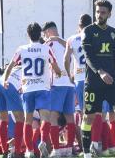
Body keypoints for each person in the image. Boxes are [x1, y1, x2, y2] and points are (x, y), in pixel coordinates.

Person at [3, 22, 61, 158]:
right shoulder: (46, 49)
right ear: (40, 34)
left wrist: (6, 80)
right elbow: (55, 66)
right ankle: (42, 142)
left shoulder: (21, 49)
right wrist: (57, 73)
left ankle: (29, 150)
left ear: (28, 35)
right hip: (43, 88)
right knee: (45, 118)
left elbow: (10, 65)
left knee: (28, 120)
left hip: (28, 89)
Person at [81, 0, 115, 158]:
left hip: (111, 80)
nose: (99, 15)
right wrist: (100, 72)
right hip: (94, 82)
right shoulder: (87, 31)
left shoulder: (114, 33)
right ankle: (87, 153)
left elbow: (113, 54)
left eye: (102, 12)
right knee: (89, 117)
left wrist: (113, 68)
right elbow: (88, 57)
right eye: (97, 12)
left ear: (109, 14)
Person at [42, 21, 76, 157]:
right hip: (69, 84)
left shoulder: (48, 44)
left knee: (53, 116)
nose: (44, 37)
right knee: (69, 117)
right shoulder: (66, 43)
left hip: (57, 84)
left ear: (49, 32)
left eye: (45, 34)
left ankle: (56, 149)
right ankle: (68, 149)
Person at [64, 14, 92, 156]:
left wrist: (70, 76)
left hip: (79, 79)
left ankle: (84, 145)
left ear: (79, 26)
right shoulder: (94, 35)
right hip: (93, 78)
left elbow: (66, 60)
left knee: (82, 114)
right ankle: (95, 144)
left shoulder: (72, 39)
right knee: (96, 112)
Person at [0, 66, 24, 158]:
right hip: (10, 85)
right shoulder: (31, 67)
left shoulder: (16, 66)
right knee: (20, 118)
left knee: (3, 118)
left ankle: (4, 151)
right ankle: (17, 152)